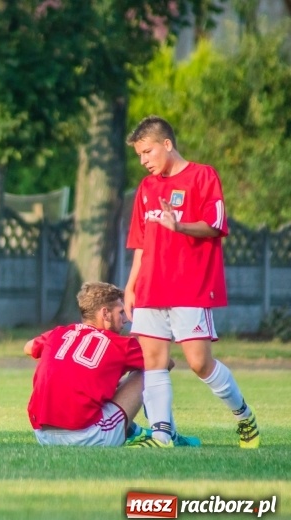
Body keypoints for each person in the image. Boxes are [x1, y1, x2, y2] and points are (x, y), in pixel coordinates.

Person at [124, 115, 259, 448]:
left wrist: (179, 225)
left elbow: (215, 225)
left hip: (190, 287)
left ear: (167, 145)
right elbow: (141, 243)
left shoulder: (203, 176)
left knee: (199, 363)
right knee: (152, 362)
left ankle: (244, 416)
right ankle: (161, 435)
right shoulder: (146, 188)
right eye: (139, 155)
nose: (144, 161)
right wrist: (130, 286)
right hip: (150, 288)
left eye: (147, 152)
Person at [25, 282, 155, 447]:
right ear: (105, 313)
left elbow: (28, 347)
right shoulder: (120, 344)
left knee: (98, 388)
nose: (124, 319)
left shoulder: (58, 333)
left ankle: (135, 432)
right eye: (120, 312)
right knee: (147, 372)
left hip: (43, 436)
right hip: (86, 436)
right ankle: (163, 432)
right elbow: (162, 363)